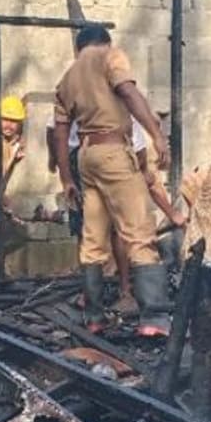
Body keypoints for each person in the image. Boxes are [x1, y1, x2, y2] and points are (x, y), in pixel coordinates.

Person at [53, 25, 172, 336]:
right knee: (139, 233)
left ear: (78, 48)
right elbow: (128, 93)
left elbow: (61, 133)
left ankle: (94, 316)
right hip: (114, 151)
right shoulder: (110, 56)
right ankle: (155, 318)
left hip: (86, 157)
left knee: (93, 240)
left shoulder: (67, 78)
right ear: (105, 42)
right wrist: (157, 135)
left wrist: (66, 178)